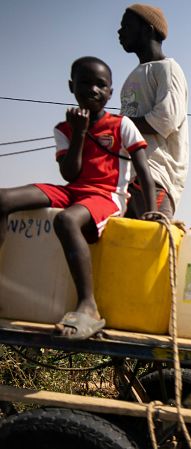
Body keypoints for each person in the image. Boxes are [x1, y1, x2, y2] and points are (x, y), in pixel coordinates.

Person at [0, 57, 156, 340]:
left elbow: (144, 171)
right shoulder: (64, 128)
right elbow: (70, 175)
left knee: (67, 220)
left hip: (107, 195)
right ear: (72, 86)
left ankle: (88, 307)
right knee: (2, 199)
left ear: (110, 92)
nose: (93, 89)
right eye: (85, 82)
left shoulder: (122, 126)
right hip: (74, 189)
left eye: (101, 85)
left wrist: (153, 211)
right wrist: (80, 134)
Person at [118, 3, 189, 219]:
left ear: (148, 29)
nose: (120, 32)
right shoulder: (133, 75)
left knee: (150, 243)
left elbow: (164, 120)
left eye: (126, 26)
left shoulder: (168, 69)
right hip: (126, 177)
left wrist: (116, 124)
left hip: (155, 177)